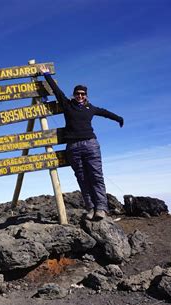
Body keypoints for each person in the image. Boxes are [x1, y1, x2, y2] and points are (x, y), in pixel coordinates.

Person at [39, 65, 124, 220]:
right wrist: (46, 75)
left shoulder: (90, 108)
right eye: (77, 93)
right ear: (74, 94)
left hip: (91, 144)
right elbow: (57, 91)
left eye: (82, 94)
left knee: (96, 176)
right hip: (73, 147)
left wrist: (119, 118)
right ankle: (91, 208)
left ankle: (102, 209)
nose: (80, 96)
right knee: (82, 178)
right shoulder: (67, 105)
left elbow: (105, 113)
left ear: (86, 95)